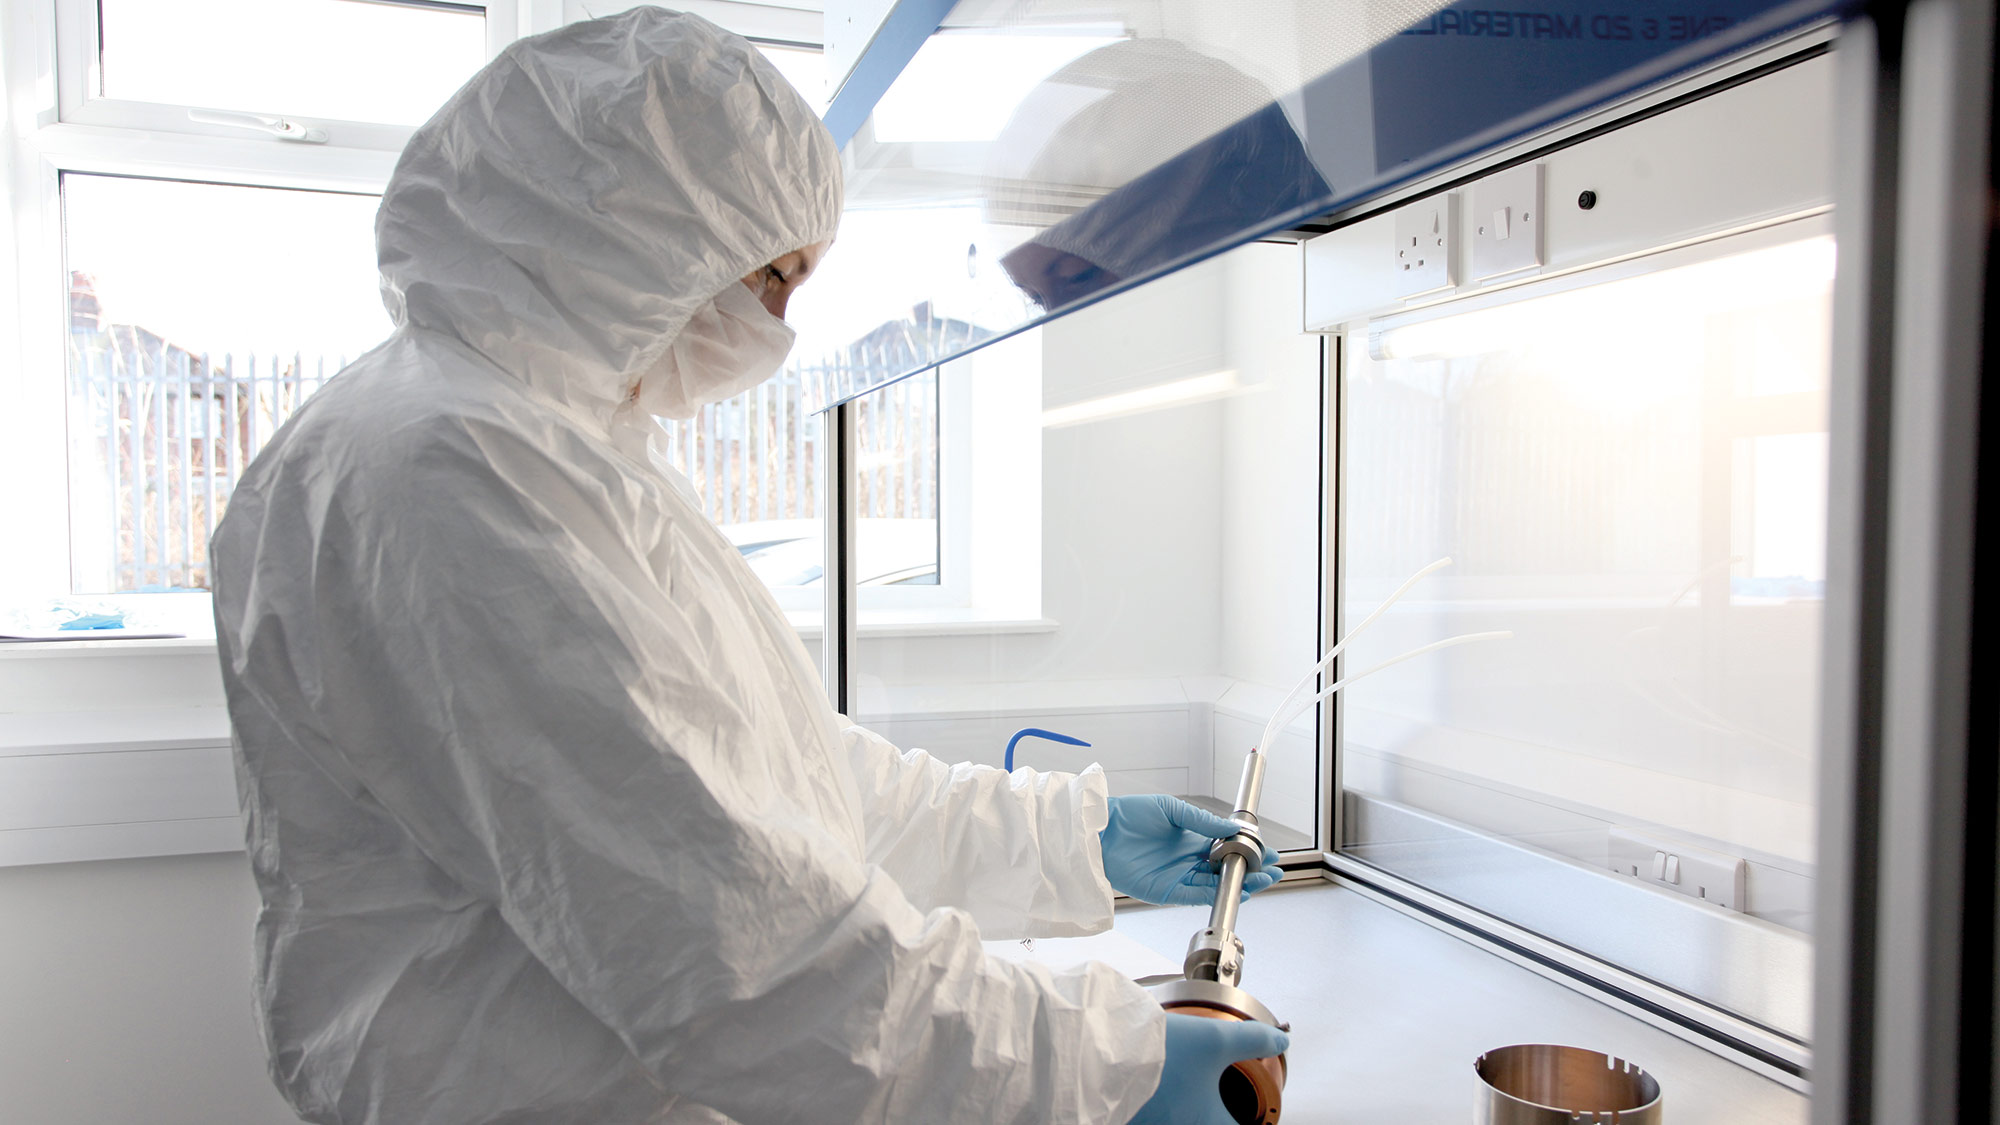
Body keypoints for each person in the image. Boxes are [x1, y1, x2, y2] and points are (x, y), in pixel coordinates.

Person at [210, 9, 1283, 1124]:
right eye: (770, 276)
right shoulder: (449, 473)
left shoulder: (560, 443)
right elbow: (725, 936)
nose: (773, 324)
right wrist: (1099, 1071)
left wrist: (1065, 837)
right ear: (631, 232)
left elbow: (776, 786)